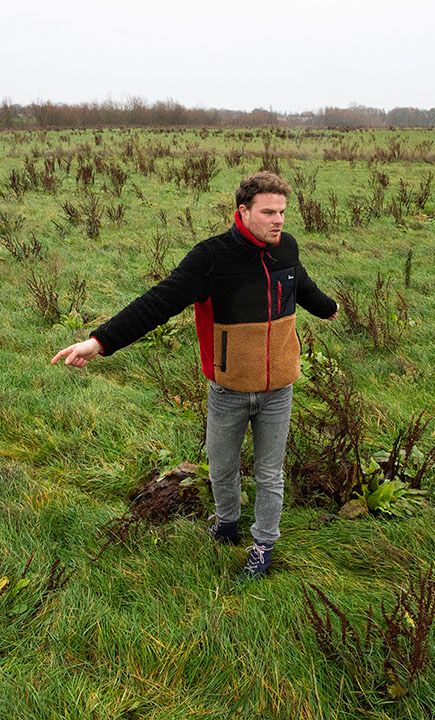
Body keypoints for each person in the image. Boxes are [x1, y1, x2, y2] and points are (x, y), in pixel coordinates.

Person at [51, 171, 337, 578]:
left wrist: (328, 308)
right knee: (221, 467)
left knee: (270, 473)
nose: (278, 220)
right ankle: (226, 525)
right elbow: (160, 301)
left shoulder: (285, 248)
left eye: (283, 212)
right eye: (268, 212)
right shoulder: (211, 258)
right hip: (229, 390)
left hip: (279, 389)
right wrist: (100, 342)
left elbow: (301, 285)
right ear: (243, 211)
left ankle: (263, 546)